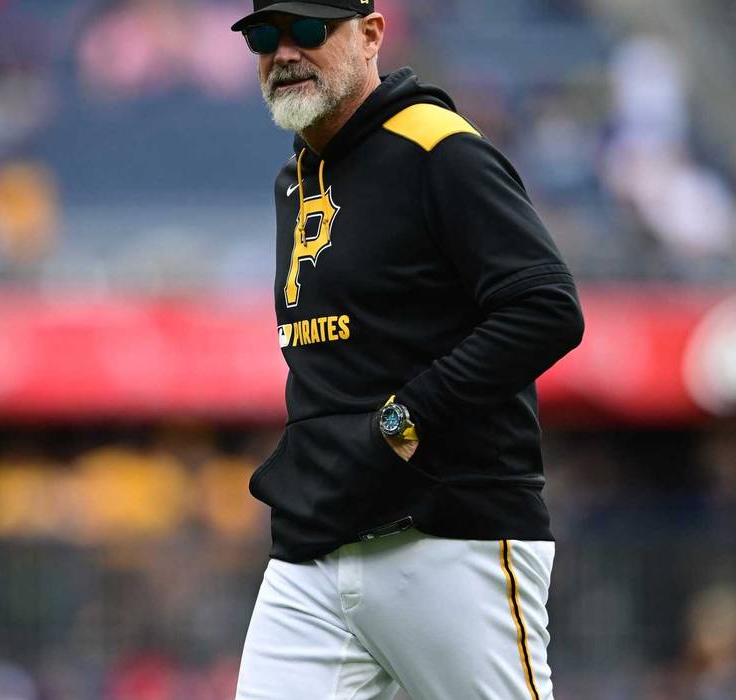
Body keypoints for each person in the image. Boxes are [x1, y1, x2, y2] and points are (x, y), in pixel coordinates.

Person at [230, 2, 585, 698]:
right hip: (314, 550)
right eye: (265, 37)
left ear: (370, 34)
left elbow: (546, 306)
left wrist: (406, 418)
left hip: (447, 540)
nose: (284, 53)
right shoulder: (295, 176)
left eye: (308, 31)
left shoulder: (437, 146)